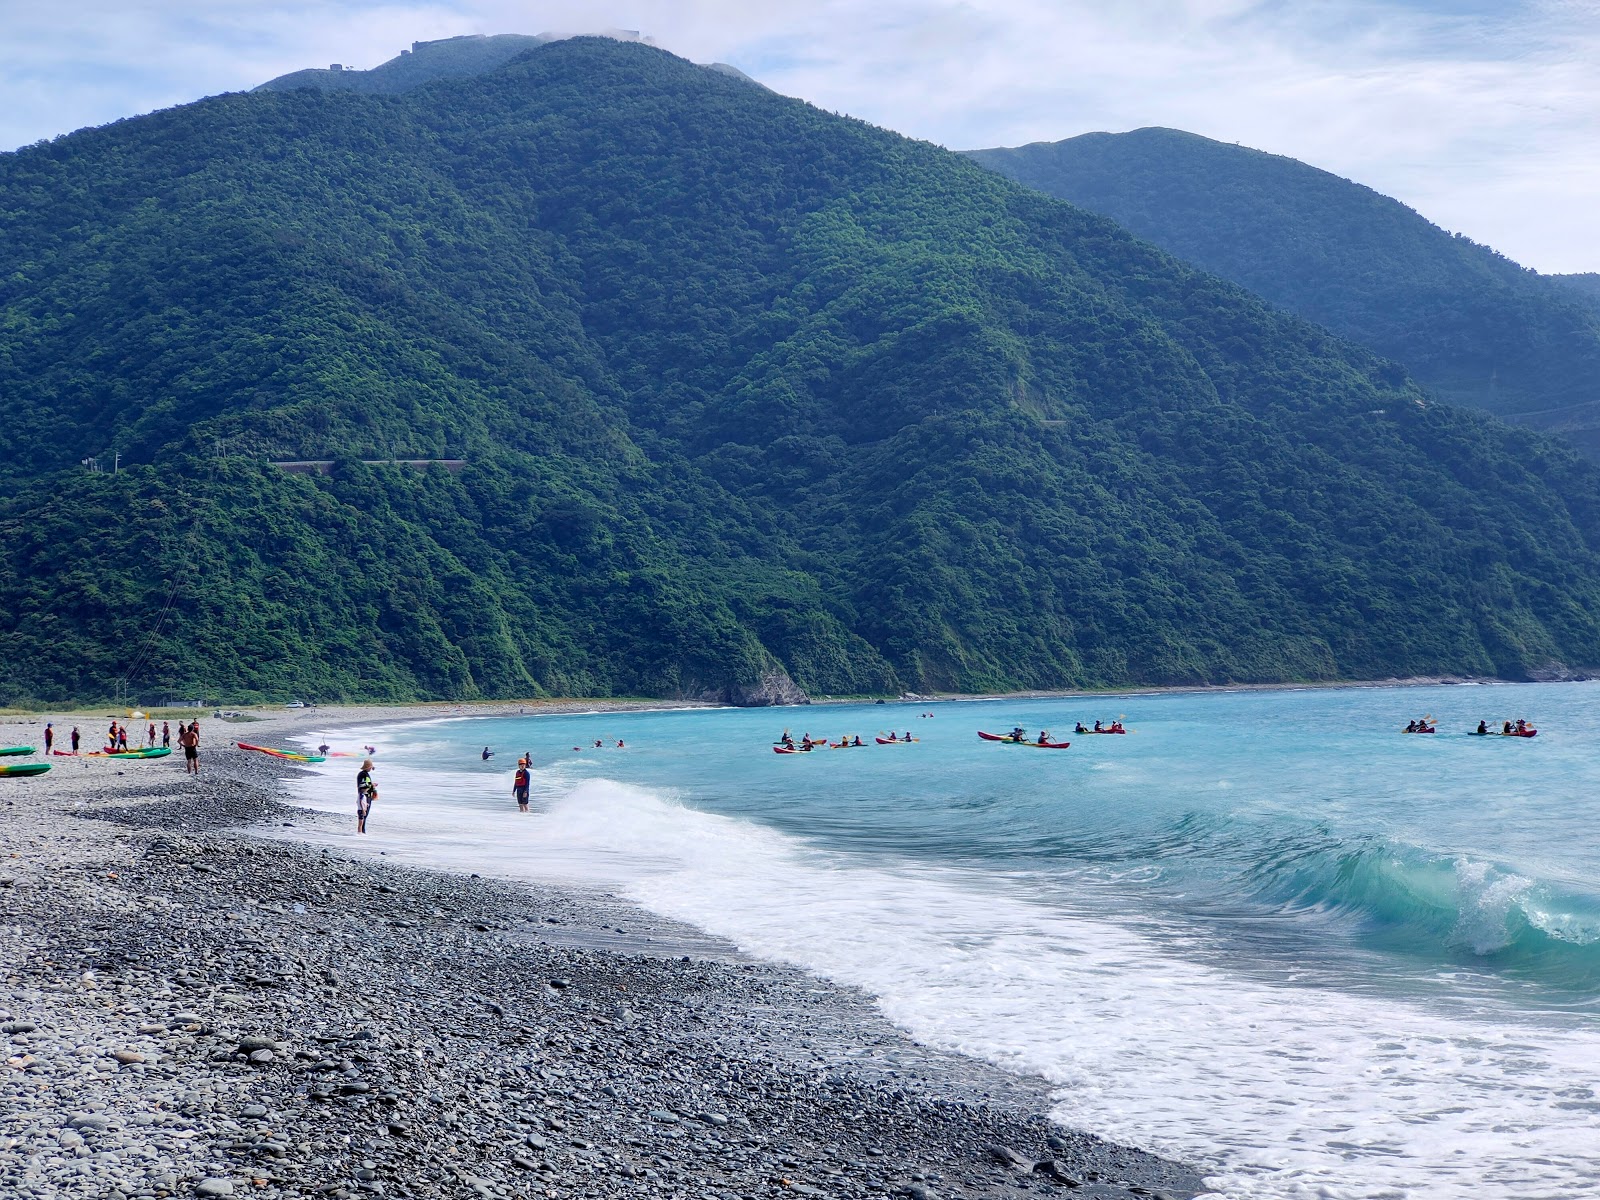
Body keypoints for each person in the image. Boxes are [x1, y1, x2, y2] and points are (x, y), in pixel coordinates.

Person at [356, 760, 376, 833]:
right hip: (365, 796)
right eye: (370, 767)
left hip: (366, 796)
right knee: (364, 815)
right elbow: (363, 785)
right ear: (367, 767)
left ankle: (362, 832)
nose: (371, 769)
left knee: (364, 816)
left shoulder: (364, 774)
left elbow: (366, 784)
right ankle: (362, 832)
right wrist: (372, 785)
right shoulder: (364, 775)